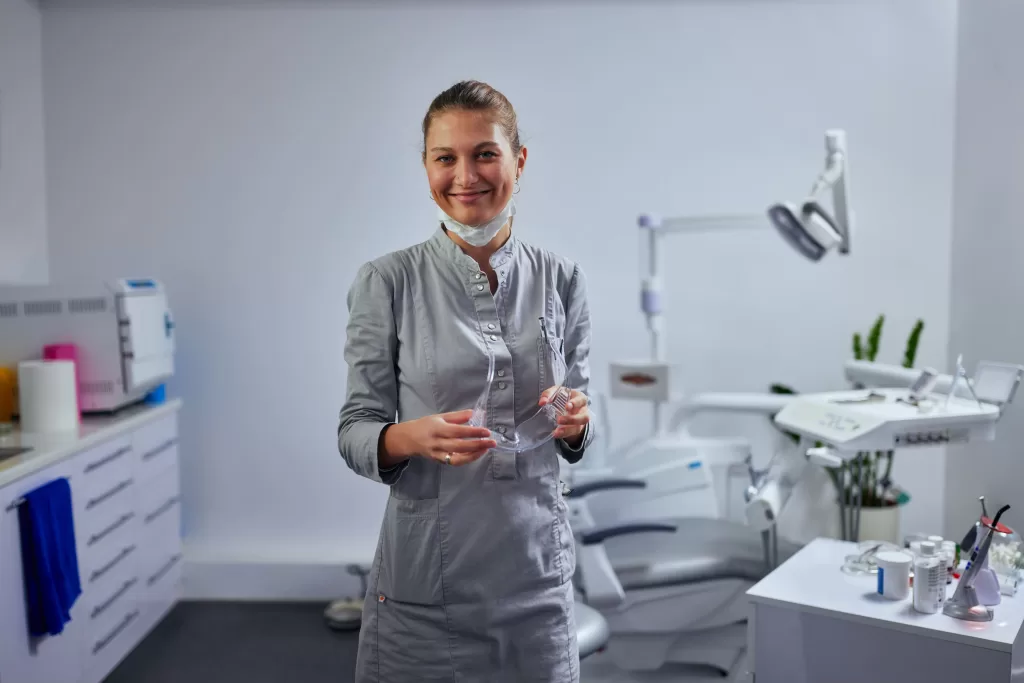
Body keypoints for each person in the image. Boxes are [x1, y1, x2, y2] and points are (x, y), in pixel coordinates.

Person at [337, 80, 595, 683]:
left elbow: (575, 418)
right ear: (425, 166)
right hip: (427, 590)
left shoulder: (562, 279)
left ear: (519, 161)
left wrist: (578, 423)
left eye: (485, 153)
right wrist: (409, 438)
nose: (465, 175)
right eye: (444, 157)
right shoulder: (388, 281)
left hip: (538, 581)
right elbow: (354, 431)